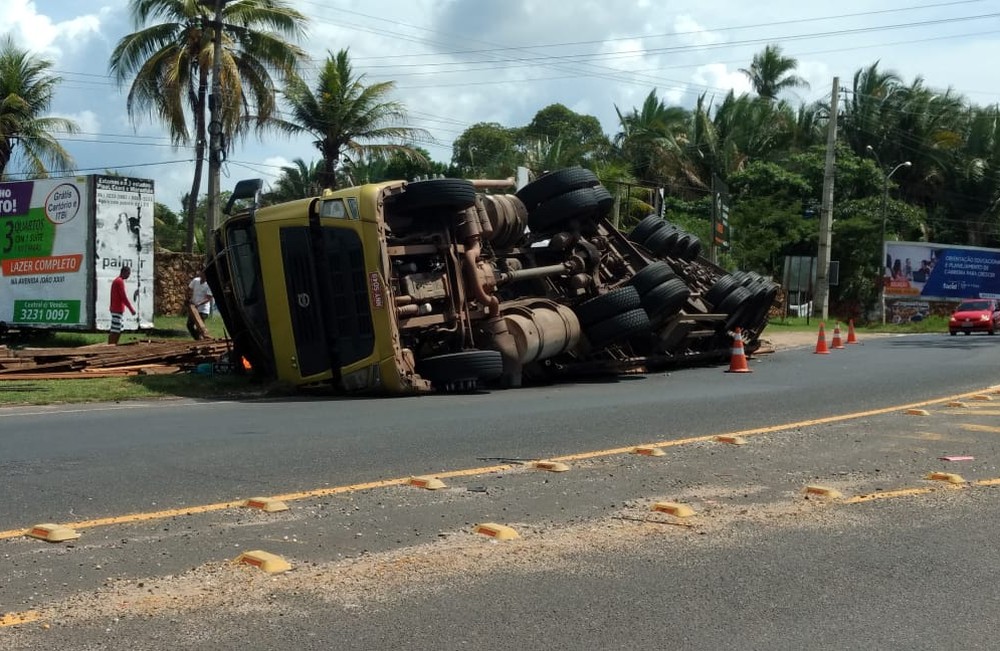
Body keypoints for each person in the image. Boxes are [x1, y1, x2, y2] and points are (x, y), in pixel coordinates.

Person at [108, 266, 136, 345]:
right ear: (124, 272)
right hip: (117, 308)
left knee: (117, 329)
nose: (128, 276)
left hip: (116, 308)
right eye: (128, 273)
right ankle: (111, 345)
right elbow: (123, 297)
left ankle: (113, 344)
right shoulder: (119, 281)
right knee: (116, 330)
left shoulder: (117, 281)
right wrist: (131, 309)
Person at [186, 270, 213, 340]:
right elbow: (189, 289)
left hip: (203, 310)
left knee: (200, 327)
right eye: (201, 273)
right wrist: (188, 297)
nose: (202, 274)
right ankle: (198, 339)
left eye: (204, 273)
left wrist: (199, 303)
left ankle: (201, 340)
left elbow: (208, 298)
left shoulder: (209, 285)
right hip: (194, 308)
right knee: (189, 325)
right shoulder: (195, 280)